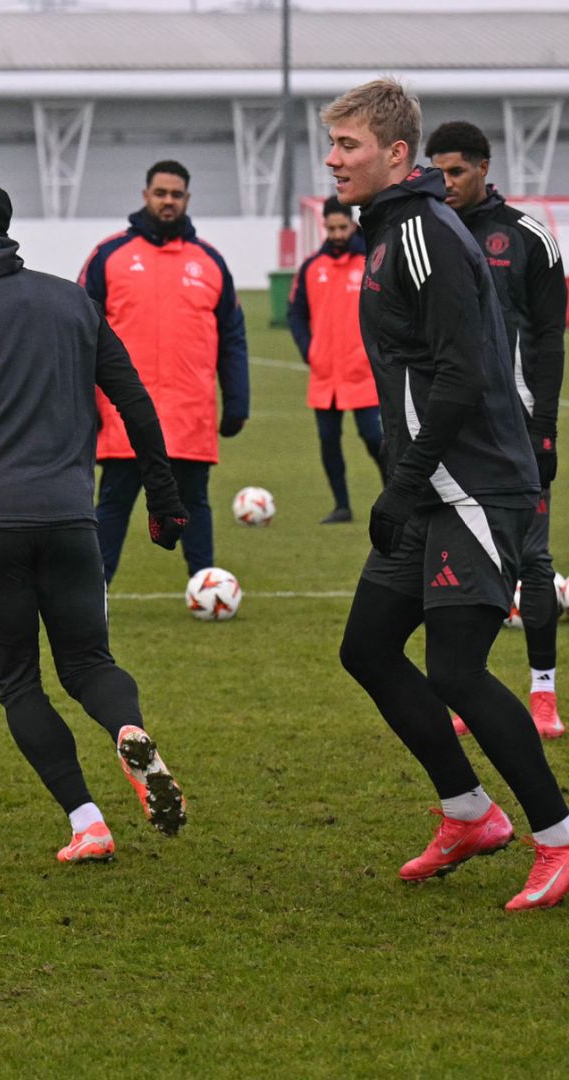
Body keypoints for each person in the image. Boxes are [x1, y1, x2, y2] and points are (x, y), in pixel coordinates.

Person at [325, 77, 569, 912]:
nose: (333, 160)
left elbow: (463, 375)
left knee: (458, 670)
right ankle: (469, 813)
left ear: (396, 154)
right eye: (332, 145)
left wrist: (402, 482)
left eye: (349, 145)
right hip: (431, 486)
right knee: (367, 648)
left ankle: (557, 837)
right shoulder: (389, 231)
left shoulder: (423, 231)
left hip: (474, 485)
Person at [0, 183, 190, 864]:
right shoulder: (73, 301)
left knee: (19, 681)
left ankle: (88, 823)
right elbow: (133, 400)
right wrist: (164, 499)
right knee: (90, 662)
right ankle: (128, 730)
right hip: (69, 518)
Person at [426, 119, 567, 741]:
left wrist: (545, 429)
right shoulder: (428, 235)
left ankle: (543, 693)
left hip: (518, 431)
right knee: (467, 561)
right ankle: (471, 686)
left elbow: (550, 339)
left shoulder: (529, 237)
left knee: (532, 559)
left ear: (484, 167)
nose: (446, 182)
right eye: (437, 172)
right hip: (453, 429)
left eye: (457, 171)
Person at [80, 161, 249, 584]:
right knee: (113, 505)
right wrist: (84, 401)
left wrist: (237, 400)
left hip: (189, 412)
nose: (168, 201)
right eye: (160, 193)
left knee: (194, 503)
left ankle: (207, 587)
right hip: (124, 416)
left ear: (187, 199)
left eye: (176, 194)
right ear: (146, 196)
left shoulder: (209, 260)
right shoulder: (109, 256)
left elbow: (232, 335)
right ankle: (93, 592)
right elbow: (79, 332)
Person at [287, 198, 383, 524]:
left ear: (353, 225)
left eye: (343, 227)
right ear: (324, 227)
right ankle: (341, 506)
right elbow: (295, 313)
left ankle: (394, 497)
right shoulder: (312, 267)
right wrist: (309, 350)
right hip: (325, 373)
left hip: (363, 372)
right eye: (331, 229)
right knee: (329, 441)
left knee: (374, 438)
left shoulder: (372, 260)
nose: (338, 234)